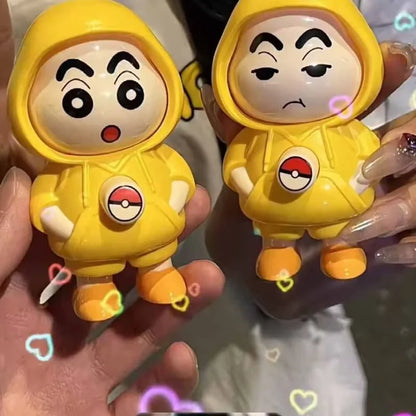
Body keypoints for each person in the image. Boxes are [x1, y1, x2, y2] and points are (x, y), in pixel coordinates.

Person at [0, 1, 415, 416]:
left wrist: (367, 176)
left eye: (127, 90)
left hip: (248, 299)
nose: (295, 80)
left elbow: (183, 177)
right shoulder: (64, 165)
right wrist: (56, 219)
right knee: (115, 266)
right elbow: (228, 167)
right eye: (266, 69)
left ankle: (330, 248)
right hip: (103, 264)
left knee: (318, 233)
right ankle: (99, 285)